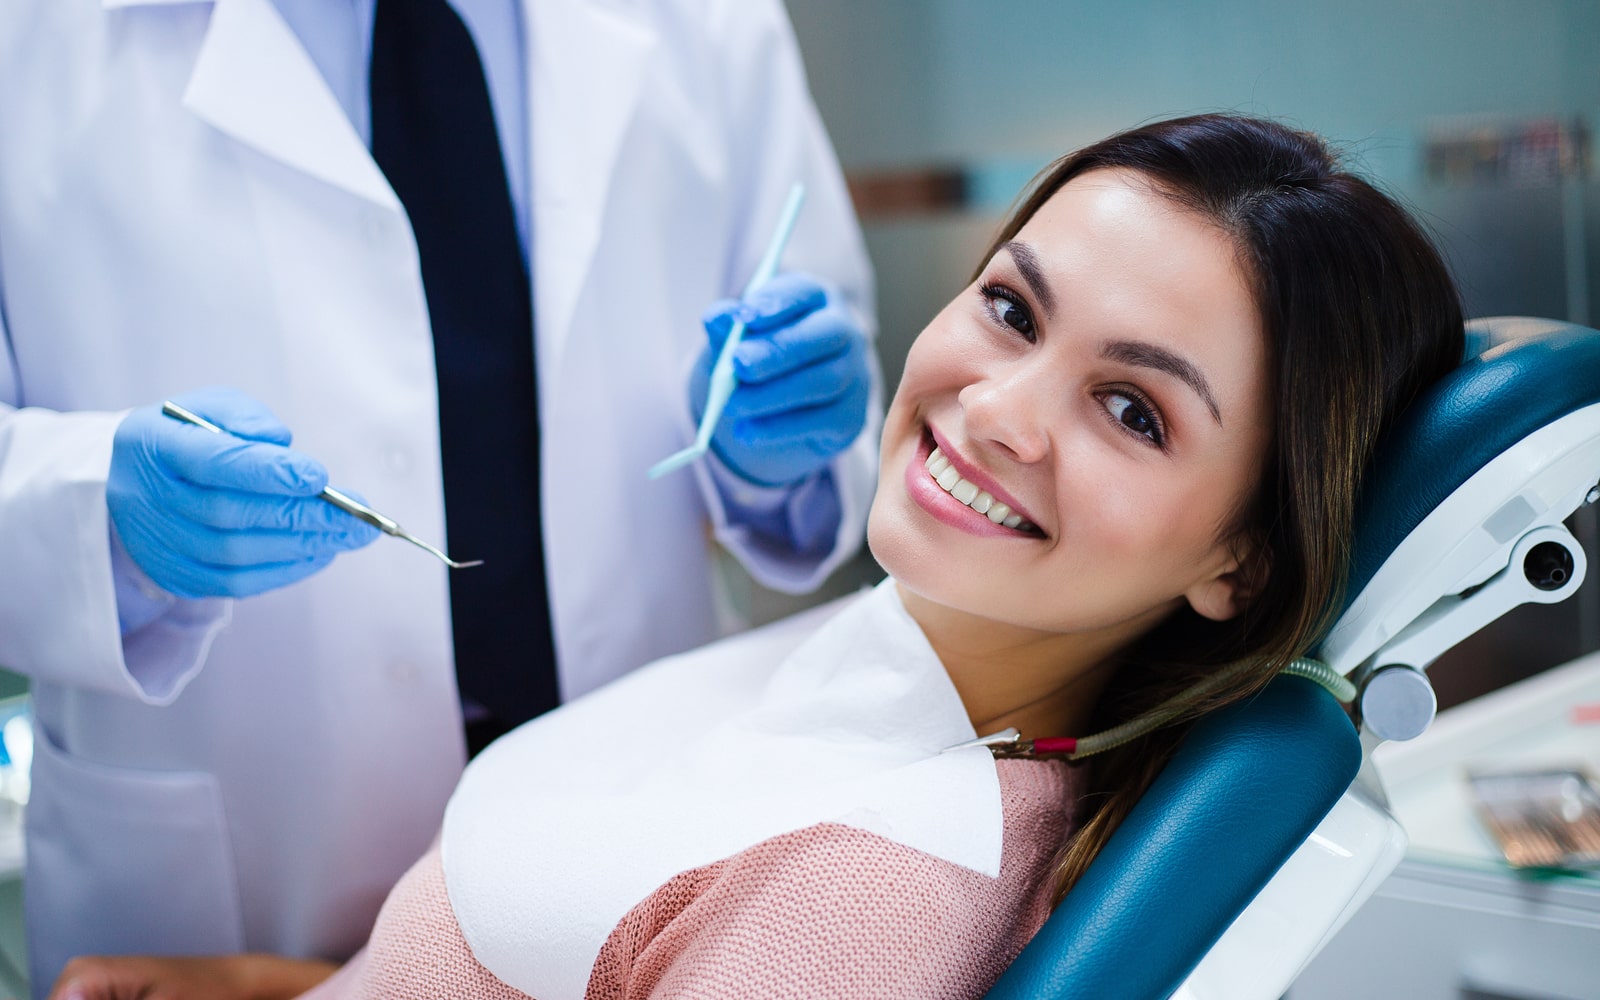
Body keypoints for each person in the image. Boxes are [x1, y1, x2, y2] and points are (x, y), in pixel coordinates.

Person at [49, 113, 1466, 1000]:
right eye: (1013, 311)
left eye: (1132, 409)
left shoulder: (873, 890)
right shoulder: (880, 662)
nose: (997, 410)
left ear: (1242, 565)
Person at [0, 0, 877, 993]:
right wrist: (97, 519)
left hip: (636, 821)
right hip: (234, 878)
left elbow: (811, 317)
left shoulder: (708, 24)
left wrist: (785, 448)